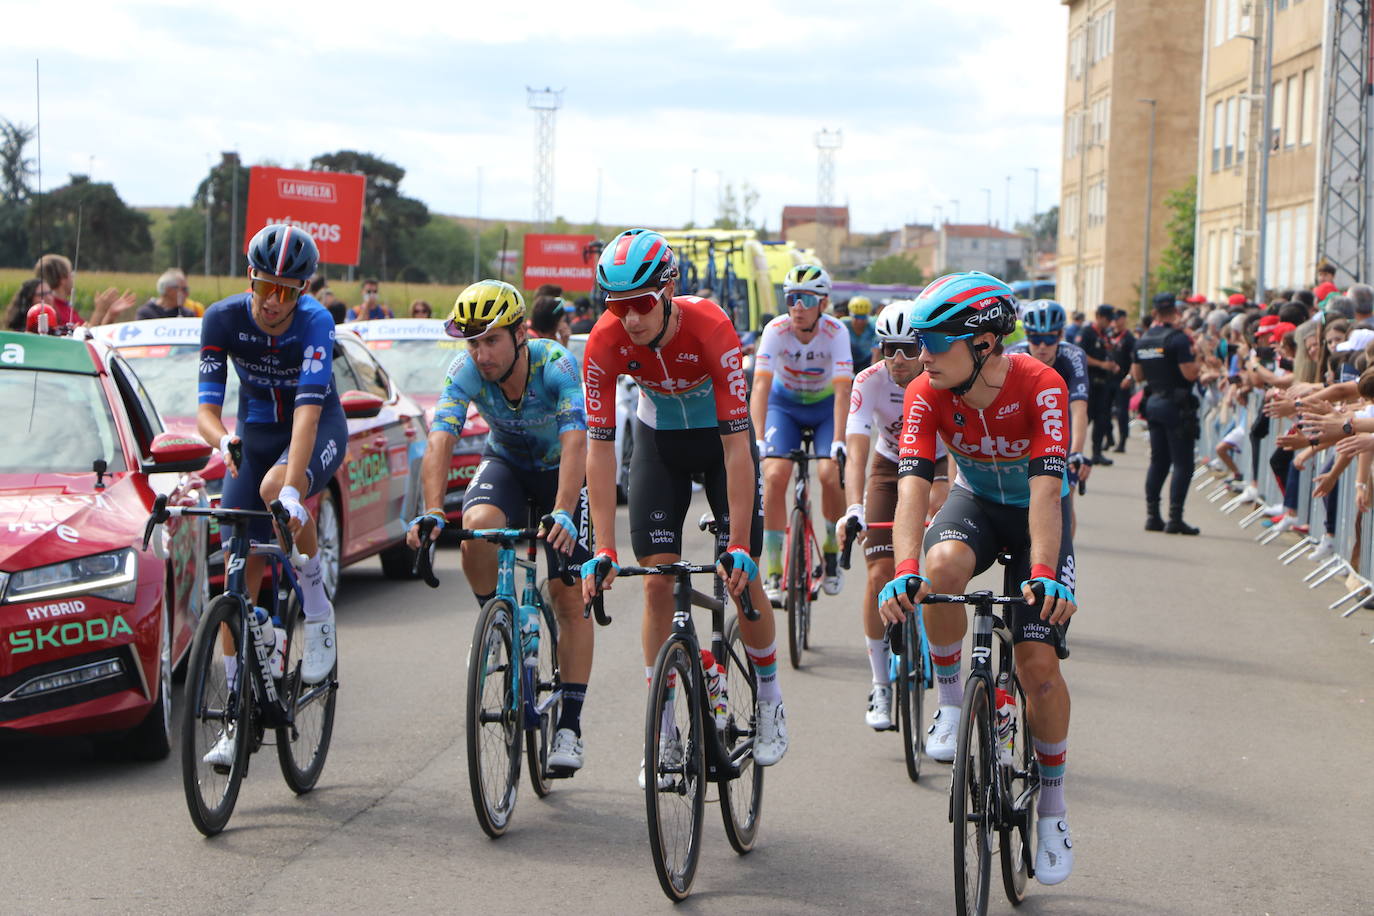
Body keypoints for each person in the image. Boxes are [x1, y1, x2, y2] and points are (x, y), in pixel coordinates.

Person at [877, 270, 1078, 886]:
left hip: (1036, 520)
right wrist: (903, 569)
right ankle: (950, 700)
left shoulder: (1040, 385)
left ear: (985, 344)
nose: (923, 355)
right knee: (937, 571)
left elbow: (1047, 493)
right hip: (975, 506)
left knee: (1038, 666)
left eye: (936, 342)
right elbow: (913, 490)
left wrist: (1045, 574)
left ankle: (1051, 806)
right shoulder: (926, 390)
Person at [579, 228, 789, 777]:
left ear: (668, 290)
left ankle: (768, 698)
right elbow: (600, 454)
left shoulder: (711, 327)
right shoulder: (603, 343)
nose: (630, 318)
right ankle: (665, 728)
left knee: (745, 581)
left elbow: (738, 449)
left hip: (723, 448)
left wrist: (741, 545)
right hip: (660, 444)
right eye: (617, 305)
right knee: (655, 582)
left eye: (641, 303)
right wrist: (603, 546)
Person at [407, 280, 594, 770]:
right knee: (477, 529)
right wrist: (430, 508)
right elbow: (442, 437)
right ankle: (497, 620)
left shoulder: (555, 365)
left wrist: (564, 509)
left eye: (491, 339)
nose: (481, 353)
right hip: (508, 466)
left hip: (562, 475)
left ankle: (570, 726)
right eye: (473, 342)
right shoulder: (466, 371)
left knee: (568, 594)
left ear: (519, 334)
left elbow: (578, 441)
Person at [196, 224, 346, 766]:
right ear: (250, 279)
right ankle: (239, 715)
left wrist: (289, 489)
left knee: (271, 493)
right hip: (252, 436)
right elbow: (206, 413)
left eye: (289, 290)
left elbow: (307, 415)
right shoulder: (221, 318)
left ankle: (315, 597)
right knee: (241, 563)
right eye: (266, 288)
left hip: (316, 429)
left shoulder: (315, 322)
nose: (275, 302)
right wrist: (225, 440)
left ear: (303, 290)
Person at [837, 302, 949, 729]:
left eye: (907, 348)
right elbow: (856, 451)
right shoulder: (869, 382)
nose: (898, 359)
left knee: (941, 569)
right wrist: (853, 508)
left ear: (922, 346)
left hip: (938, 465)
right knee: (878, 574)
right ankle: (880, 684)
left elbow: (958, 445)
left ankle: (949, 688)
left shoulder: (941, 377)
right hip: (888, 465)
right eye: (889, 348)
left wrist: (948, 488)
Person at [751, 264, 854, 604]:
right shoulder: (776, 330)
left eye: (806, 298)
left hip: (825, 408)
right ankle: (775, 570)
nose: (797, 306)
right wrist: (758, 436)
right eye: (792, 297)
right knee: (776, 474)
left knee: (828, 473)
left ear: (822, 303)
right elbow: (761, 385)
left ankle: (830, 551)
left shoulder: (836, 331)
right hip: (786, 406)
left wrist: (839, 439)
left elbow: (843, 392)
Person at [1004, 300, 1093, 526]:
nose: (1042, 346)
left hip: (1059, 431)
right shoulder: (1013, 356)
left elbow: (1079, 408)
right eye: (1035, 338)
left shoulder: (1073, 356)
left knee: (1062, 504)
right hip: (1023, 432)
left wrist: (1076, 453)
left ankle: (1063, 557)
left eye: (1050, 338)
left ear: (1061, 335)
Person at [1132, 292, 1202, 534]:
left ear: (1154, 312)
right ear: (1175, 311)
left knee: (1158, 462)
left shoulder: (1143, 339)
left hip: (1153, 404)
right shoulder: (1178, 339)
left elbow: (1137, 375)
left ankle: (1152, 516)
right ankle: (1175, 518)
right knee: (1183, 463)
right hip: (1176, 406)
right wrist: (1201, 356)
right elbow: (1190, 374)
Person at [34, 253, 136, 328]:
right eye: (71, 274)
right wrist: (99, 311)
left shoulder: (65, 307)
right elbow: (84, 340)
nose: (73, 279)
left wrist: (110, 314)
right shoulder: (52, 309)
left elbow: (95, 336)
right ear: (63, 279)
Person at [1074, 303, 1119, 464]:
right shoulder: (1087, 332)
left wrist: (1111, 365)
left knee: (1102, 419)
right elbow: (1081, 355)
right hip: (1089, 383)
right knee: (1085, 419)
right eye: (1107, 319)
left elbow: (1107, 352)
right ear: (1099, 317)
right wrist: (1101, 364)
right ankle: (1072, 451)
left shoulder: (1105, 334)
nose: (1109, 323)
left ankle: (1097, 453)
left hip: (1104, 383)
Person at [1110, 308, 1137, 452]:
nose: (1115, 322)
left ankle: (1122, 441)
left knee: (1122, 413)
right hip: (1109, 379)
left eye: (1117, 319)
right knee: (1104, 411)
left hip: (1123, 380)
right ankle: (1108, 438)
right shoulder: (1110, 335)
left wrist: (1129, 377)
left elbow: (1135, 361)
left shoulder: (1129, 338)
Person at [843, 295, 879, 373]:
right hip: (848, 360)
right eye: (856, 317)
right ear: (850, 315)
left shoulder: (873, 325)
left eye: (863, 318)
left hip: (866, 361)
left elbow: (876, 349)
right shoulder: (843, 325)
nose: (860, 321)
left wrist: (873, 371)